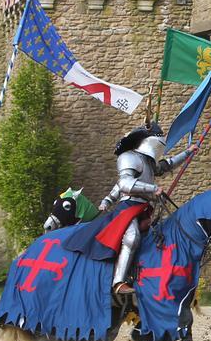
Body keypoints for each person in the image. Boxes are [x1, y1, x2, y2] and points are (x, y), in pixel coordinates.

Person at [63, 122, 194, 294]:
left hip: (146, 208)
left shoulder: (148, 161)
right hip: (129, 206)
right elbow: (124, 184)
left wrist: (188, 152)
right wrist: (152, 188)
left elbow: (165, 166)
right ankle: (118, 282)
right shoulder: (128, 157)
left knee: (164, 234)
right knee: (132, 237)